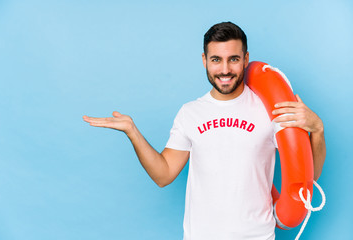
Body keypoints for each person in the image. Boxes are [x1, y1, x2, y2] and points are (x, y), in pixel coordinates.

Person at [83, 22, 326, 240]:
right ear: (204, 60)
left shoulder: (270, 110)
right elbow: (163, 175)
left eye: (233, 59)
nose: (224, 70)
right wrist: (133, 132)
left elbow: (306, 178)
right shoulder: (190, 113)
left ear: (245, 58)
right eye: (216, 59)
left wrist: (318, 130)